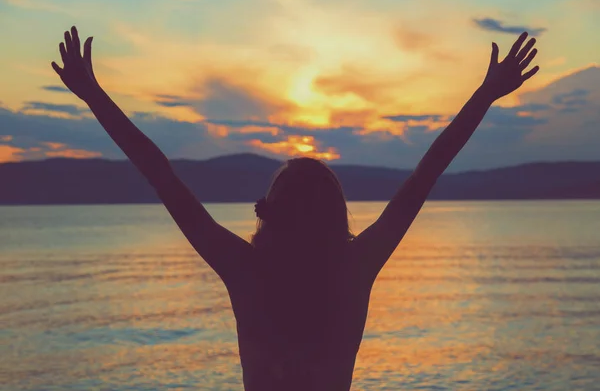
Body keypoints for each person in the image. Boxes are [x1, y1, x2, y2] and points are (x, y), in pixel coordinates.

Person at [52, 26, 539, 390]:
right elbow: (423, 176)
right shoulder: (353, 267)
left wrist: (94, 94)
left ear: (268, 215)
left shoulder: (244, 269)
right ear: (337, 216)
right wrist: (485, 95)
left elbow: (163, 177)